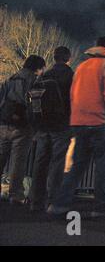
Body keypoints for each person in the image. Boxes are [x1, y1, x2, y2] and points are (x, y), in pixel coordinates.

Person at [48, 36, 105, 218]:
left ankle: (59, 204)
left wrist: (76, 117)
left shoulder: (82, 66)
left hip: (79, 123)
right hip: (101, 123)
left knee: (77, 166)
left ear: (96, 47)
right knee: (104, 166)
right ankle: (101, 207)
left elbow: (73, 94)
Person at [29, 47, 74, 211]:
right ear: (68, 58)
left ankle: (35, 200)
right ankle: (53, 201)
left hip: (43, 125)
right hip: (62, 124)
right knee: (57, 162)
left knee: (40, 161)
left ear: (54, 58)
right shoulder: (71, 75)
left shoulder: (45, 75)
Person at [0, 55, 46, 204]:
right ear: (38, 68)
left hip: (4, 123)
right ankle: (16, 194)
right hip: (23, 126)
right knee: (18, 162)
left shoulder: (11, 79)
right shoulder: (34, 80)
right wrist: (36, 124)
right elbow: (36, 106)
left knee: (1, 158)